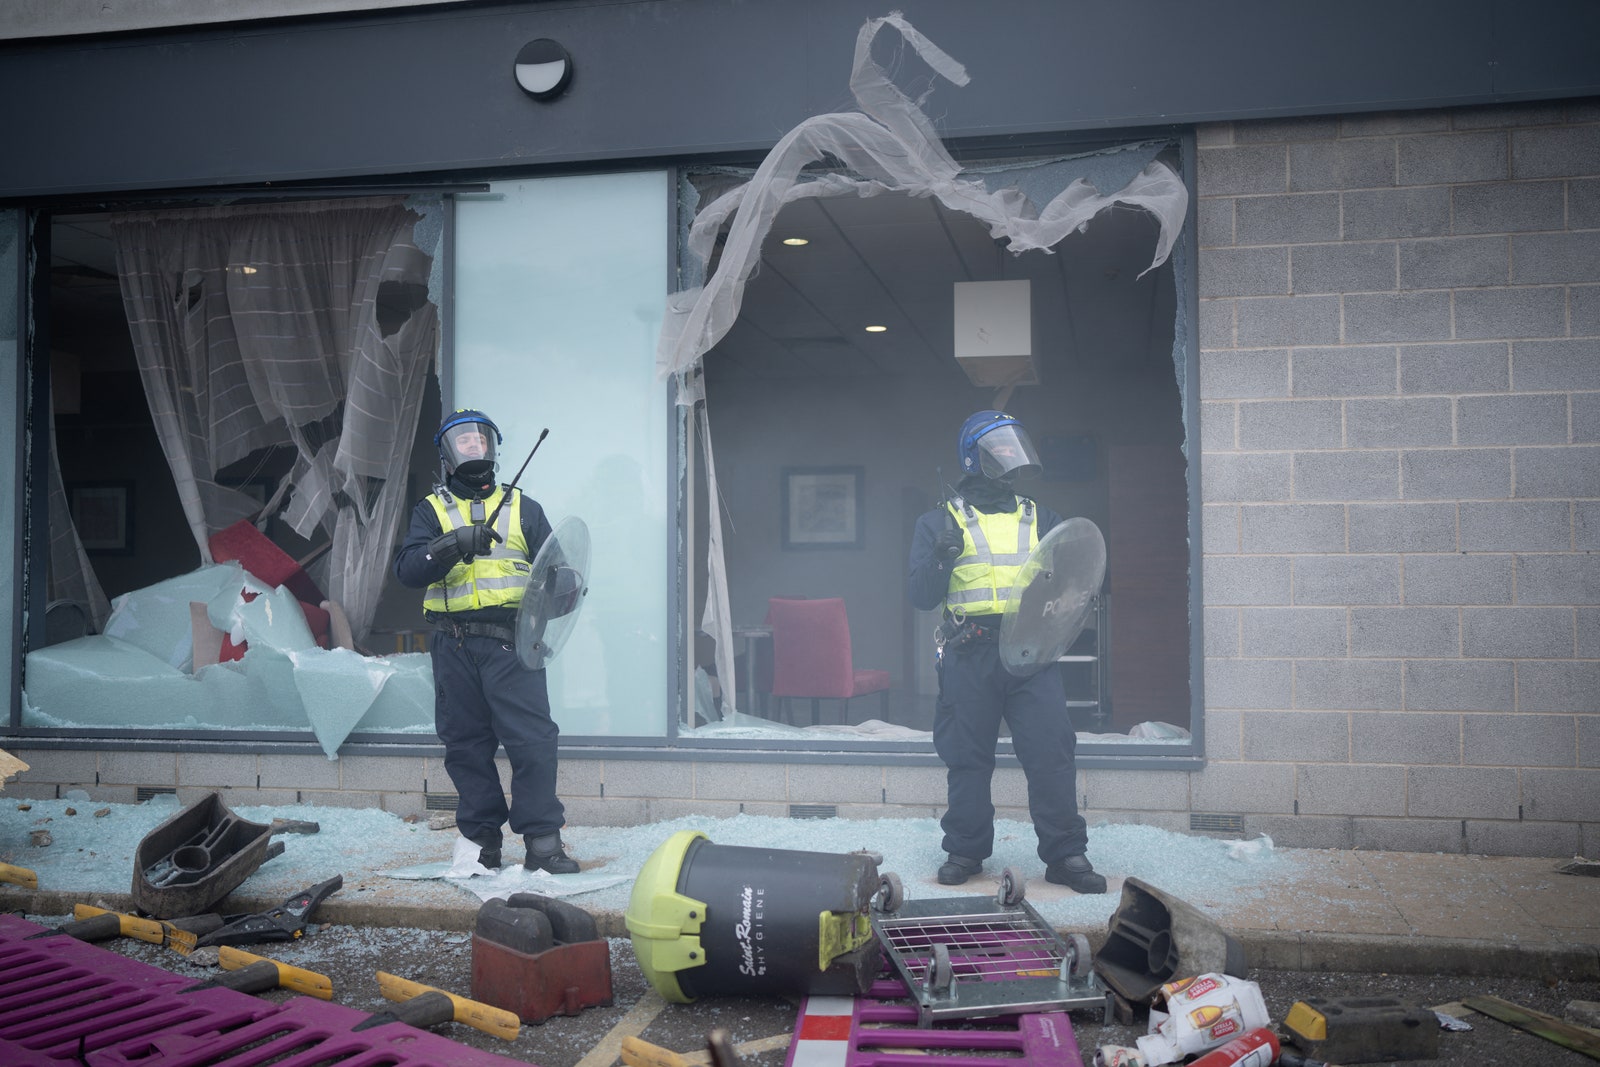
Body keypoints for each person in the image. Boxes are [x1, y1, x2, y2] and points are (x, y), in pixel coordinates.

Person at [905, 409, 1107, 894]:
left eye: (1015, 444)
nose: (1012, 455)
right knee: (968, 758)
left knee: (1051, 753)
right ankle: (965, 851)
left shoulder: (1041, 516)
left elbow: (1073, 578)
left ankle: (1065, 855)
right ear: (976, 458)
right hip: (969, 651)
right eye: (1000, 446)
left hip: (1032, 655)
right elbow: (921, 596)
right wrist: (940, 557)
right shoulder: (937, 521)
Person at [393, 408, 579, 875]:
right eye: (464, 440)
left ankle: (543, 843)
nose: (474, 446)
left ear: (493, 448)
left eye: (481, 440)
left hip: (513, 645)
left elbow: (555, 571)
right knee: (465, 745)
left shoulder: (523, 507)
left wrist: (566, 588)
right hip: (453, 647)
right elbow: (408, 570)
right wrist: (454, 543)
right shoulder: (430, 511)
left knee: (533, 742)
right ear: (447, 453)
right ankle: (481, 845)